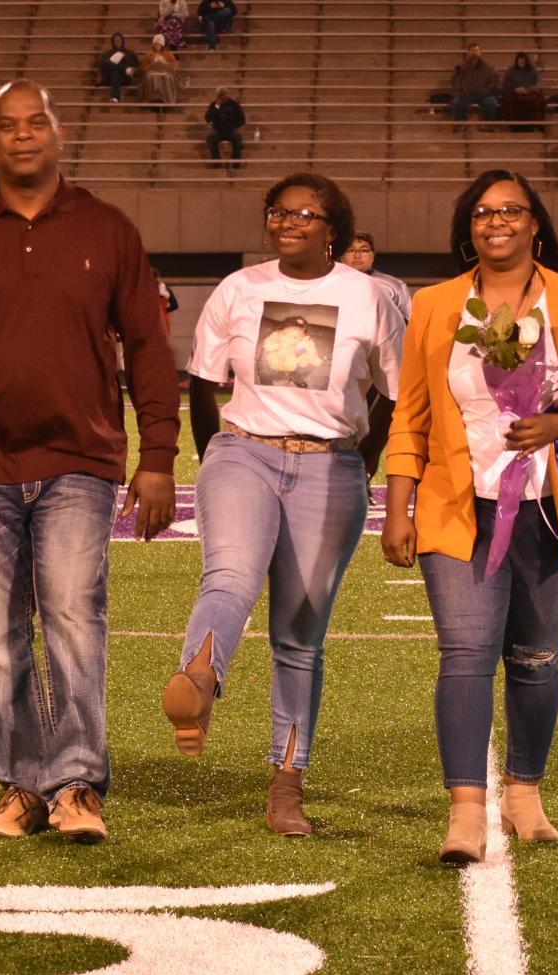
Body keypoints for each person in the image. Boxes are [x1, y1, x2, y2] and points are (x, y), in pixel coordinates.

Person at [0, 80, 180, 844]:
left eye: (35, 123)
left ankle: (76, 784)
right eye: (8, 126)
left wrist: (158, 457)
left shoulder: (108, 228)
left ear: (58, 131)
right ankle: (21, 783)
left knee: (74, 625)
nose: (22, 137)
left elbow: (148, 348)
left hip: (79, 460)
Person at [381, 168, 558, 864]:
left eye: (510, 210)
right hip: (457, 508)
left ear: (534, 223)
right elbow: (410, 414)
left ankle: (524, 793)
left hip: (551, 509)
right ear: (468, 227)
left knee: (535, 658)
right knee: (463, 657)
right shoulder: (432, 306)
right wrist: (396, 507)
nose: (496, 221)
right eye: (483, 212)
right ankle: (465, 812)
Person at [161, 173, 401, 837]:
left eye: (305, 212)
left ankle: (285, 787)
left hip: (331, 463)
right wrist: (217, 454)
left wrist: (367, 455)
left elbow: (396, 390)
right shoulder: (239, 289)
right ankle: (199, 676)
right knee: (230, 576)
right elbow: (205, 383)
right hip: (245, 450)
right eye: (277, 211)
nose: (287, 221)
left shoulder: (369, 297)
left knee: (299, 637)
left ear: (333, 228)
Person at [341, 231, 411, 323]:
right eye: (350, 250)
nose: (357, 255)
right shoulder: (330, 284)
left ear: (372, 256)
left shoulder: (394, 285)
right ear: (341, 256)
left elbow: (407, 323)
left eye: (364, 250)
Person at [450, 43, 499, 123]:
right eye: (472, 50)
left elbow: (494, 82)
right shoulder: (461, 67)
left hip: (484, 95)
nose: (474, 52)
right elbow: (454, 81)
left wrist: (485, 91)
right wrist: (461, 90)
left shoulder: (489, 67)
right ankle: (460, 124)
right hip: (466, 94)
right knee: (456, 103)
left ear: (480, 53)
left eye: (476, 50)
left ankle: (488, 124)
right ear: (468, 52)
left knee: (492, 102)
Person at [205, 86, 245, 164]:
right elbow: (208, 118)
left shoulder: (234, 105)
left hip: (231, 130)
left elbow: (242, 119)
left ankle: (236, 161)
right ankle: (217, 162)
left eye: (224, 94)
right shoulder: (214, 105)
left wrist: (235, 126)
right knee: (211, 137)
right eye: (220, 95)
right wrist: (217, 107)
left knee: (237, 136)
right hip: (218, 130)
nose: (223, 96)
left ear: (227, 94)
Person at [501, 52, 544, 122]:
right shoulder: (511, 71)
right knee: (513, 101)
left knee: (533, 100)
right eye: (520, 61)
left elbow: (537, 83)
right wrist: (515, 89)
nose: (521, 63)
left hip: (529, 92)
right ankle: (515, 125)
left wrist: (528, 90)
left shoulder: (532, 70)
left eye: (523, 62)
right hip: (515, 92)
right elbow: (506, 84)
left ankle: (532, 123)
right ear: (517, 61)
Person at [138, 36, 180, 106]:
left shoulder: (168, 55)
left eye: (159, 44)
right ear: (153, 45)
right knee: (151, 77)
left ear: (162, 45)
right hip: (152, 72)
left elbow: (174, 65)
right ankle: (152, 98)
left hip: (166, 72)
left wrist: (165, 63)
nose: (157, 46)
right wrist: (152, 65)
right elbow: (144, 66)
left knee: (167, 77)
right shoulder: (149, 55)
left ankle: (167, 99)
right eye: (155, 44)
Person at [97, 32, 138, 103]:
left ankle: (115, 97)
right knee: (105, 63)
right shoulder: (107, 54)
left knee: (115, 72)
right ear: (112, 42)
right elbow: (103, 67)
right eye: (115, 40)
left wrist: (124, 57)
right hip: (110, 78)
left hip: (124, 78)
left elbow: (134, 65)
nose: (117, 42)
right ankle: (115, 97)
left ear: (122, 41)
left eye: (119, 40)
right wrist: (123, 68)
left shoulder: (129, 53)